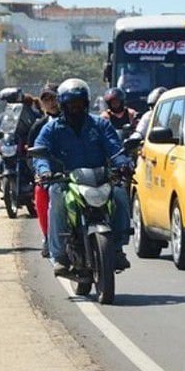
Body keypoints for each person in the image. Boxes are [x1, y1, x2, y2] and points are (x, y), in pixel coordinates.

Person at [33, 79, 133, 276]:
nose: (75, 108)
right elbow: (40, 152)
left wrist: (123, 164)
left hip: (100, 178)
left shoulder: (100, 124)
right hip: (66, 180)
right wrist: (44, 171)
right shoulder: (52, 129)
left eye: (79, 103)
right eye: (71, 104)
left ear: (86, 103)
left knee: (120, 193)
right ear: (63, 105)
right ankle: (59, 255)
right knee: (56, 196)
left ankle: (118, 248)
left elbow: (115, 148)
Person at [0, 91, 40, 217]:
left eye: (11, 101)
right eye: (8, 102)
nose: (10, 104)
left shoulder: (30, 113)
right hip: (7, 150)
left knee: (37, 173)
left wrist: (31, 143)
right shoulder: (4, 116)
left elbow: (37, 128)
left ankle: (39, 203)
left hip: (24, 151)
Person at [27, 82, 61, 258]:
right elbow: (31, 154)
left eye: (54, 98)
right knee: (40, 192)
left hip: (78, 170)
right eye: (47, 99)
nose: (51, 103)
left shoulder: (78, 120)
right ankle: (48, 237)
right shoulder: (39, 126)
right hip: (50, 175)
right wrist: (40, 173)